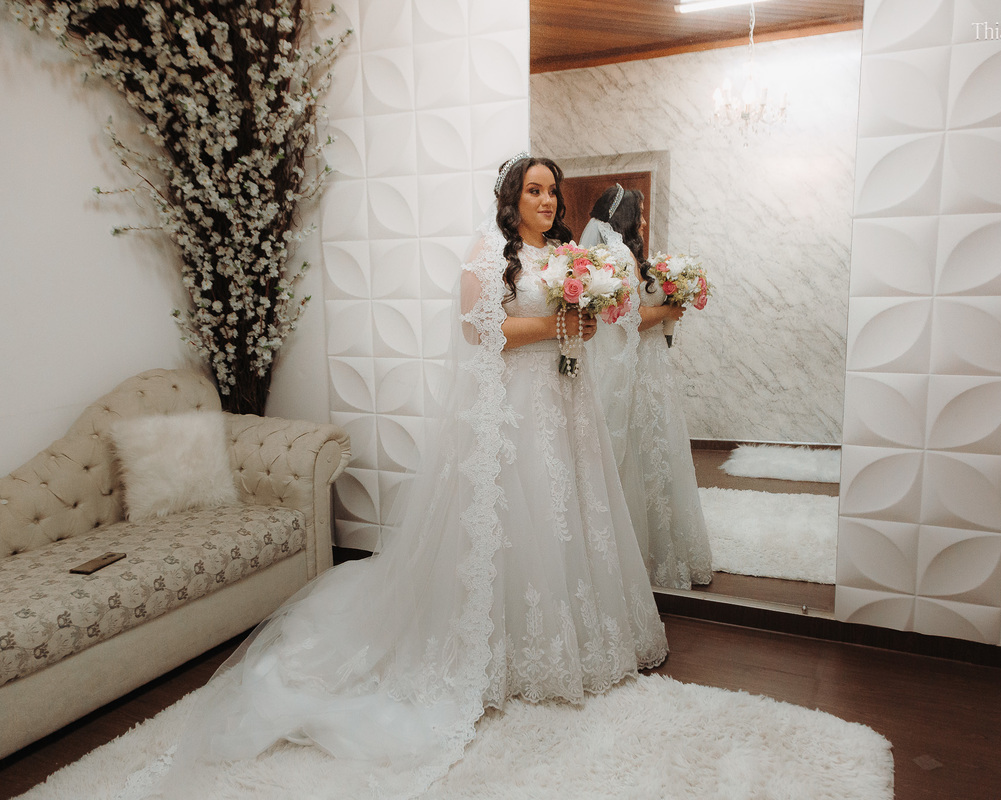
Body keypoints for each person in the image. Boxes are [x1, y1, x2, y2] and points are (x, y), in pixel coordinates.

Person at [130, 156, 668, 800]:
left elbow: (584, 321)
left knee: (565, 513)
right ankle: (499, 648)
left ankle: (570, 640)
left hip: (564, 403)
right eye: (534, 190)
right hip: (515, 410)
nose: (547, 200)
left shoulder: (568, 255)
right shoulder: (487, 253)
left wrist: (587, 320)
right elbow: (479, 330)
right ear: (512, 197)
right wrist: (557, 326)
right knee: (513, 519)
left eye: (552, 191)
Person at [581, 184, 713, 590]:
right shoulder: (618, 255)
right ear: (623, 215)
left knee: (654, 452)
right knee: (645, 452)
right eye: (638, 212)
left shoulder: (622, 253)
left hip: (650, 365)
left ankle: (656, 544)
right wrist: (671, 308)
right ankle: (645, 553)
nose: (642, 219)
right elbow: (629, 320)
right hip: (637, 366)